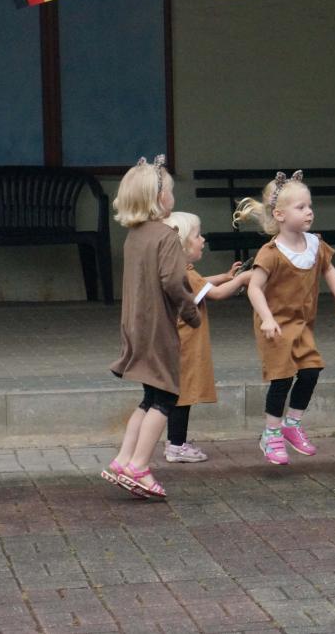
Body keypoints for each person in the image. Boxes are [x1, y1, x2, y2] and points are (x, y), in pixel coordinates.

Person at [232, 171, 335, 465]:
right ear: (280, 215)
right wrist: (266, 318)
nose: (309, 211)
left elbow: (329, 269)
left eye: (310, 205)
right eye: (301, 207)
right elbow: (254, 288)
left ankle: (292, 424)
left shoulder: (315, 244)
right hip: (274, 326)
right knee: (282, 377)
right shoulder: (271, 252)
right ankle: (271, 433)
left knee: (311, 370)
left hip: (301, 325)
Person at [103, 156, 199, 498]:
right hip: (158, 328)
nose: (173, 196)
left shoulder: (134, 236)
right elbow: (173, 282)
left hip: (135, 325)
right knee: (168, 397)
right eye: (170, 191)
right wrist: (190, 311)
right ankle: (139, 466)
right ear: (159, 198)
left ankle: (123, 459)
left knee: (149, 397)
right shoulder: (166, 236)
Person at [160, 212, 253, 463]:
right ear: (182, 245)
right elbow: (217, 294)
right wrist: (243, 279)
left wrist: (225, 277)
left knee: (178, 395)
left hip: (175, 344)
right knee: (184, 396)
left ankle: (174, 441)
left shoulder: (179, 271)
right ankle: (177, 446)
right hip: (186, 346)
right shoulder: (186, 274)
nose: (203, 240)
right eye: (197, 236)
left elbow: (202, 284)